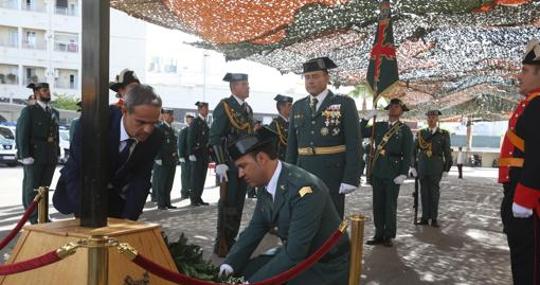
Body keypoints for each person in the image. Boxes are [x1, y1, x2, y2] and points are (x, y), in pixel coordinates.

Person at [219, 127, 349, 285]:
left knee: (251, 280)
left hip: (324, 266)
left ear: (261, 158)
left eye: (243, 166)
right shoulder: (267, 184)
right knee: (239, 274)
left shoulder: (305, 190)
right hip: (299, 256)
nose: (240, 174)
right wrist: (229, 265)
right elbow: (255, 229)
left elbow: (294, 254)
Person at [53, 84, 164, 221]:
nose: (148, 130)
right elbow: (77, 170)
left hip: (116, 198)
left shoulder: (156, 136)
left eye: (154, 123)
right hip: (80, 194)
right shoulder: (94, 122)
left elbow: (141, 178)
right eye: (141, 122)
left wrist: (129, 220)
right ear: (124, 110)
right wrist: (87, 217)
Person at [286, 57, 361, 219]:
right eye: (307, 77)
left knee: (330, 220)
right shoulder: (298, 106)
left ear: (327, 78)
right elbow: (291, 146)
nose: (311, 81)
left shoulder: (344, 104)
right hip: (303, 173)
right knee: (303, 218)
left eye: (316, 76)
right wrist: (288, 175)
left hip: (332, 175)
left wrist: (351, 178)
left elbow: (354, 144)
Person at [498, 39, 540, 285]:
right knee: (521, 261)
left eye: (525, 71)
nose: (519, 75)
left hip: (528, 199)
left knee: (529, 267)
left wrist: (524, 199)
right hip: (515, 193)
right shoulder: (530, 105)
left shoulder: (537, 106)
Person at [210, 72, 254, 256]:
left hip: (243, 164)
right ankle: (223, 242)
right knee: (227, 204)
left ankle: (231, 238)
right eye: (244, 84)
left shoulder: (247, 109)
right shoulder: (225, 106)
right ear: (234, 87)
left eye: (247, 83)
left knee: (238, 203)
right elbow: (215, 136)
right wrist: (220, 162)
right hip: (228, 164)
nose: (247, 87)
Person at [361, 98, 413, 247]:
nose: (393, 109)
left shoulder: (405, 130)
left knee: (390, 205)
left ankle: (388, 235)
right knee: (377, 204)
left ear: (401, 111)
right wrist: (366, 118)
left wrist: (403, 173)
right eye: (391, 106)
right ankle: (378, 233)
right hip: (378, 170)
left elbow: (408, 153)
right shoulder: (379, 126)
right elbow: (359, 132)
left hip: (393, 172)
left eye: (397, 107)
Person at [16, 82, 59, 224]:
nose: (48, 92)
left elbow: (56, 134)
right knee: (32, 187)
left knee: (45, 187)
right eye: (44, 90)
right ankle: (33, 217)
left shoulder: (54, 112)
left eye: (48, 90)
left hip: (49, 155)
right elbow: (22, 133)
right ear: (36, 93)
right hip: (34, 155)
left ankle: (43, 215)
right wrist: (24, 154)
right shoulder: (29, 111)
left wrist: (56, 152)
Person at [410, 110, 452, 227]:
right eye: (429, 117)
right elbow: (413, 151)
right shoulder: (420, 133)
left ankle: (433, 218)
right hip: (422, 166)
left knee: (434, 193)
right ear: (426, 119)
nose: (431, 119)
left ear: (437, 119)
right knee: (423, 192)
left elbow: (447, 152)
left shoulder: (444, 134)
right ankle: (424, 217)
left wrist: (446, 168)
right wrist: (412, 166)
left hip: (436, 166)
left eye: (434, 117)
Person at [152, 108, 179, 210]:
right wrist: (158, 157)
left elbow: (173, 144)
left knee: (168, 183)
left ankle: (167, 202)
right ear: (163, 116)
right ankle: (161, 203)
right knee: (161, 183)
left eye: (171, 115)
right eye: (168, 115)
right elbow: (155, 144)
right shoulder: (159, 128)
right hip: (162, 159)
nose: (171, 117)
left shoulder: (171, 129)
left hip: (171, 160)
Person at [187, 102, 210, 206]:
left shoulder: (204, 122)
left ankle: (198, 197)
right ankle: (194, 199)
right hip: (196, 154)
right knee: (195, 178)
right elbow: (190, 138)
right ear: (200, 110)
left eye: (207, 108)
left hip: (204, 155)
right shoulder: (195, 122)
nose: (207, 110)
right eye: (205, 108)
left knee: (201, 178)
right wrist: (191, 153)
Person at [268, 94, 293, 160]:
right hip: (280, 159)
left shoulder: (293, 124)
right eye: (289, 105)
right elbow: (272, 146)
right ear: (281, 107)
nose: (292, 107)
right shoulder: (275, 124)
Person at [177, 114, 194, 201]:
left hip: (193, 157)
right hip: (185, 157)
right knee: (185, 176)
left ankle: (190, 192)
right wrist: (181, 156)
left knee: (192, 175)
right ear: (186, 121)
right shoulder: (184, 131)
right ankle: (184, 192)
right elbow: (180, 144)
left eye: (191, 119)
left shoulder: (194, 130)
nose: (190, 121)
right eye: (188, 119)